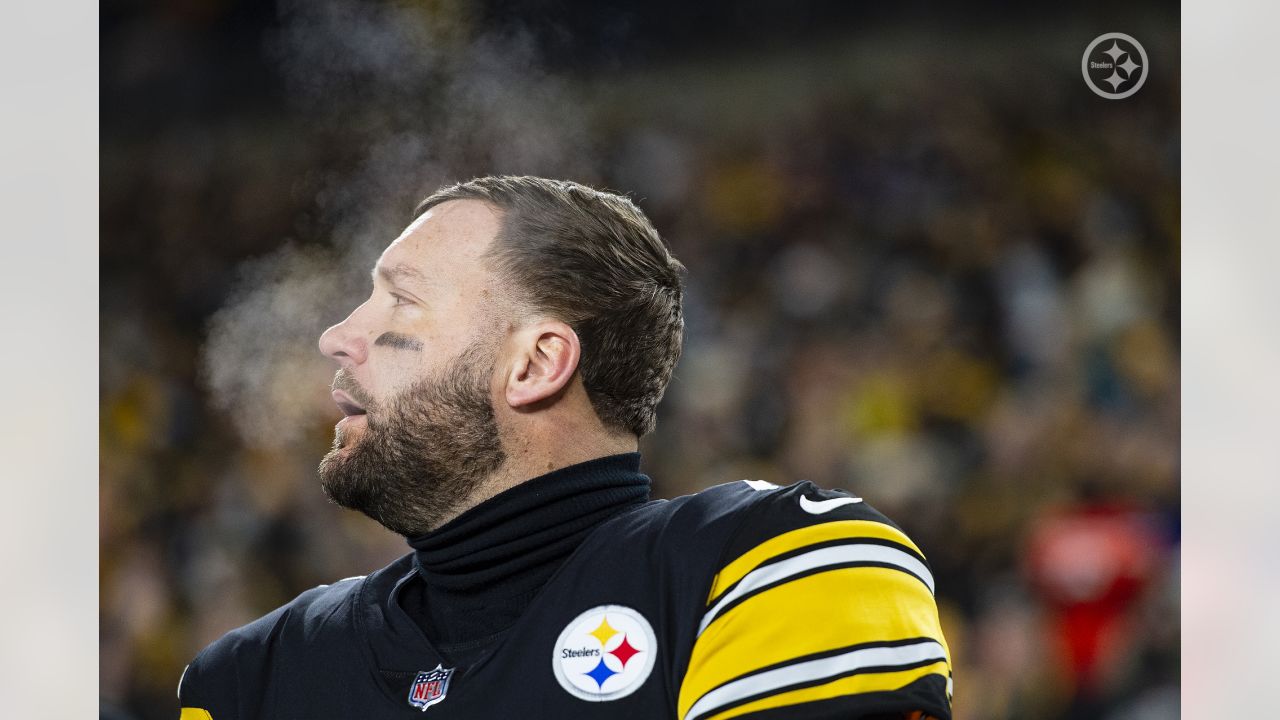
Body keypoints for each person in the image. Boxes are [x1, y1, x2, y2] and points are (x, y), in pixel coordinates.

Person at [177, 176, 953, 719]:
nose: (337, 337)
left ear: (536, 363)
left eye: (400, 302)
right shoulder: (252, 675)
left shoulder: (773, 567)